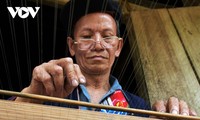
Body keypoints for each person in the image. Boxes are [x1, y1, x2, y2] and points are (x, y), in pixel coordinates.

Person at [14, 0, 197, 118]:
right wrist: (29, 97)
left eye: (107, 36)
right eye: (86, 36)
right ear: (72, 45)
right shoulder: (48, 91)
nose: (98, 45)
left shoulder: (139, 107)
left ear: (118, 47)